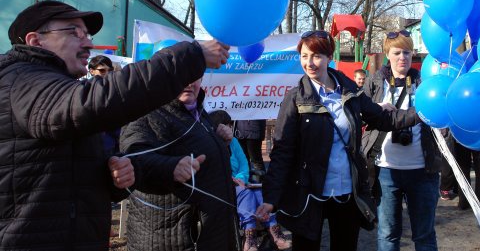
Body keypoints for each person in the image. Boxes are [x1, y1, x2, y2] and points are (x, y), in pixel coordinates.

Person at [0, 0, 230, 250]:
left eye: (87, 34)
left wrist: (115, 175)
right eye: (74, 32)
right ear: (35, 41)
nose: (88, 42)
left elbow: (62, 176)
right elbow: (88, 104)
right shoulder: (20, 79)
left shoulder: (58, 90)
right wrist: (191, 57)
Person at [255, 30, 419, 251]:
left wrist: (422, 114)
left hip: (346, 192)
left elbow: (383, 119)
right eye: (304, 56)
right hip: (308, 193)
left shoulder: (350, 92)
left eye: (316, 56)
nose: (309, 63)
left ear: (329, 57)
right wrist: (271, 197)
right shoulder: (295, 98)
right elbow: (282, 151)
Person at [120, 78, 238, 250]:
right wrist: (170, 167)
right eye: (182, 74)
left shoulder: (197, 112)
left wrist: (220, 143)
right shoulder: (148, 111)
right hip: (172, 237)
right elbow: (134, 156)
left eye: (195, 76)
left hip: (211, 232)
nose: (189, 82)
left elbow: (201, 157)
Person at [361, 29, 442, 251]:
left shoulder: (425, 81)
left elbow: (442, 113)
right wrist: (376, 108)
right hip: (385, 171)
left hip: (423, 171)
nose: (402, 58)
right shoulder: (376, 82)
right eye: (397, 53)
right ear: (388, 54)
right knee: (387, 235)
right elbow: (357, 112)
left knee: (424, 235)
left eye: (407, 52)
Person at [210, 110, 291, 251]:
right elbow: (213, 168)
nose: (229, 129)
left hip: (241, 181)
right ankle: (250, 237)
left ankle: (273, 231)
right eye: (226, 126)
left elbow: (243, 163)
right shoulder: (211, 144)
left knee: (260, 192)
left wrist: (240, 178)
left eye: (230, 125)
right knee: (245, 193)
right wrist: (232, 180)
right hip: (222, 185)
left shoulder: (234, 141)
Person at [88, 55, 121, 157]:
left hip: (111, 146)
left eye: (110, 70)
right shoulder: (82, 92)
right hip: (90, 148)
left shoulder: (116, 91)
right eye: (102, 70)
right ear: (92, 71)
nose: (106, 73)